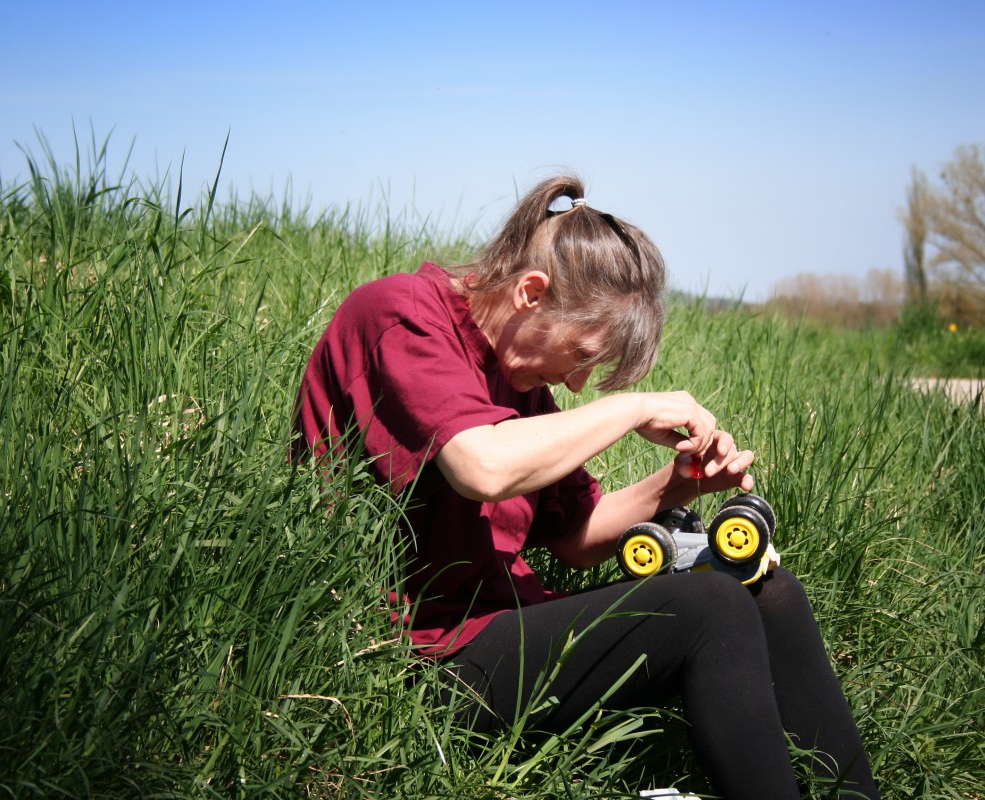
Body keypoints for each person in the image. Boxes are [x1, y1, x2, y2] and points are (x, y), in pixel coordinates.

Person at [292, 175, 879, 800]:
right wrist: (629, 408)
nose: (576, 385)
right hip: (416, 659)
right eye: (580, 356)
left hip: (499, 626)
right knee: (711, 608)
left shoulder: (523, 389)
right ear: (530, 292)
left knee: (762, 587)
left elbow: (576, 536)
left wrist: (680, 484)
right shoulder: (401, 315)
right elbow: (480, 467)